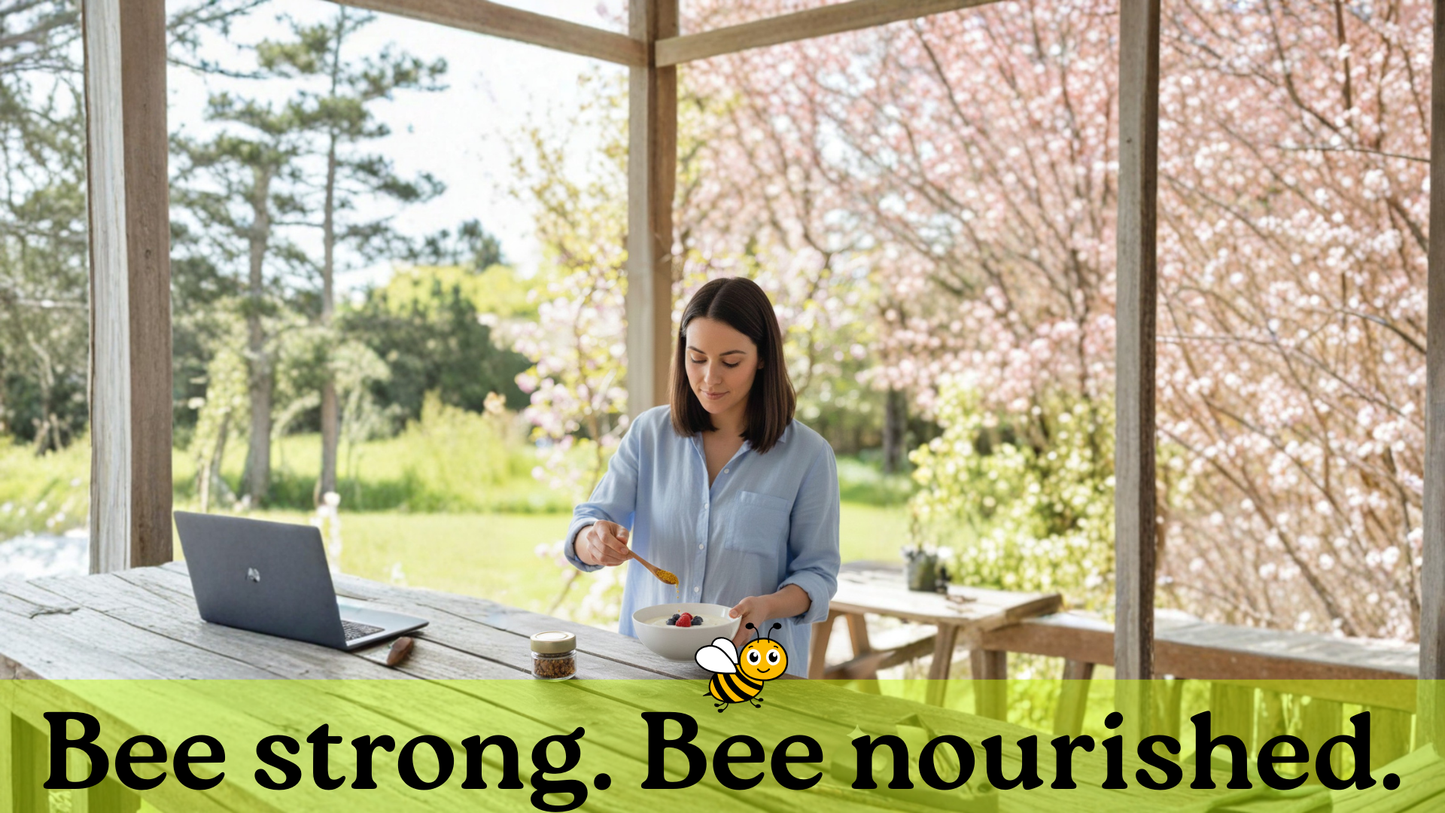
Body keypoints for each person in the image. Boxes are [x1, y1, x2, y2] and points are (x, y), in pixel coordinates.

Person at [564, 277, 841, 677]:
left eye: (731, 362)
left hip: (753, 677)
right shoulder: (649, 434)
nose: (710, 378)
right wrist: (592, 539)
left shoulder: (809, 456)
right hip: (648, 670)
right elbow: (589, 518)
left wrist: (766, 607)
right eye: (697, 358)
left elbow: (817, 575)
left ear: (762, 358)